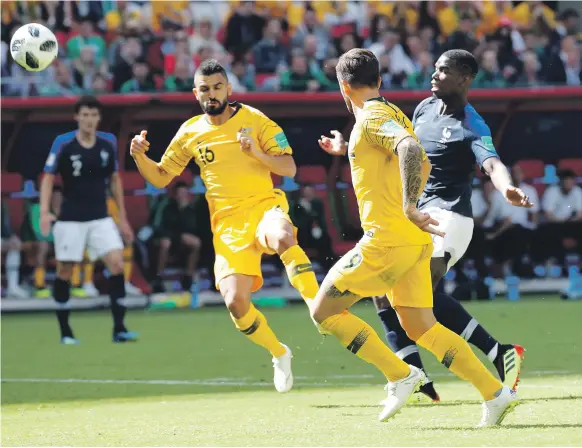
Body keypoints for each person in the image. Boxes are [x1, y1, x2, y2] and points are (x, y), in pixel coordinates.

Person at [314, 48, 517, 426]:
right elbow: (419, 158)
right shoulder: (395, 112)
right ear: (378, 80)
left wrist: (408, 205)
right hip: (413, 241)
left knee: (323, 311)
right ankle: (495, 392)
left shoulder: (373, 117)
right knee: (423, 327)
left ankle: (400, 374)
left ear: (344, 87)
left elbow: (409, 149)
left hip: (386, 241)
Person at [130, 59, 321, 393]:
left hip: (264, 205)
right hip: (228, 225)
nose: (212, 94)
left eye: (218, 87)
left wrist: (258, 154)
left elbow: (289, 167)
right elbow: (160, 177)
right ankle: (279, 353)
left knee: (283, 235)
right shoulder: (190, 131)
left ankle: (318, 304)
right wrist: (139, 157)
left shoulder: (255, 120)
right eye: (205, 89)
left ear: (229, 89)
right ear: (195, 93)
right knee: (235, 302)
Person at [371, 49, 533, 402]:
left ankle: (493, 355)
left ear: (464, 78)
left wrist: (505, 187)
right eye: (435, 67)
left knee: (419, 293)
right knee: (382, 289)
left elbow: (491, 163)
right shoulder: (424, 109)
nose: (434, 74)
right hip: (417, 215)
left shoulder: (471, 123)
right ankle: (415, 373)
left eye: (443, 70)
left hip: (450, 219)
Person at [39, 95, 138, 344]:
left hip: (100, 217)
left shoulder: (108, 143)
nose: (89, 120)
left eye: (93, 115)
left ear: (99, 118)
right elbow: (48, 178)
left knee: (116, 264)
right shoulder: (63, 143)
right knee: (65, 271)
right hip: (70, 219)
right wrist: (43, 212)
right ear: (76, 117)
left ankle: (119, 328)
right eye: (84, 115)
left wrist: (122, 218)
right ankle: (65, 332)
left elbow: (115, 179)